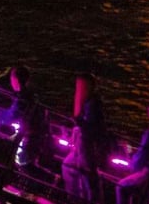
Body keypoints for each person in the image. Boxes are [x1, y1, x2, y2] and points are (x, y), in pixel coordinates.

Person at [62, 73, 109, 201]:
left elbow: (91, 126)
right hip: (82, 142)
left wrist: (78, 122)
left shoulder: (92, 103)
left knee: (88, 174)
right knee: (70, 167)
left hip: (86, 143)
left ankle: (83, 199)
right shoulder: (89, 102)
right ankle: (76, 197)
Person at [0, 65, 50, 179]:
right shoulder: (30, 94)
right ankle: (30, 186)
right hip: (34, 133)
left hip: (30, 134)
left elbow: (14, 114)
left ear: (15, 79)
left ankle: (51, 181)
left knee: (24, 162)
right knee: (22, 160)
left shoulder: (22, 96)